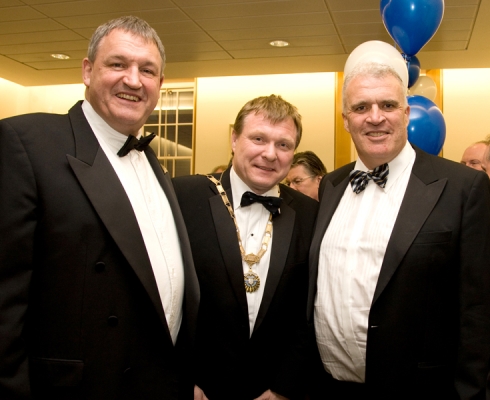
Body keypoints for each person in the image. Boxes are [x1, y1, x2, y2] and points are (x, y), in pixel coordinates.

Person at [0, 16, 199, 399]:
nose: (133, 80)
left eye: (147, 70)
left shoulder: (153, 163)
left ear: (160, 84)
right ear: (88, 71)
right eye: (118, 64)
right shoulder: (25, 143)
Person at [307, 60, 490, 399]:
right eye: (361, 107)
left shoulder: (463, 187)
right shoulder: (332, 185)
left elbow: (479, 310)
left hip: (422, 391)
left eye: (388, 105)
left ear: (406, 113)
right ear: (346, 120)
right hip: (329, 388)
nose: (375, 117)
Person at [172, 94, 318, 400]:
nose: (270, 154)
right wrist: (183, 379)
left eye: (283, 144)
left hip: (271, 390)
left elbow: (309, 311)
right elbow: (162, 297)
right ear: (234, 139)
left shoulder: (310, 214)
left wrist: (283, 388)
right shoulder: (183, 197)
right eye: (258, 138)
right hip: (196, 387)